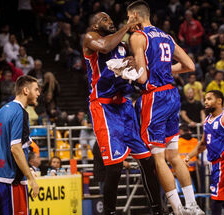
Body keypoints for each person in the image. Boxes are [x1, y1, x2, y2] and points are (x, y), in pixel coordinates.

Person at [82, 11, 163, 215]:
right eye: (104, 19)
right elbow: (105, 46)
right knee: (115, 167)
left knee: (147, 160)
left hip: (123, 105)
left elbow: (125, 68)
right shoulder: (91, 38)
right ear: (94, 26)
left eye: (110, 18)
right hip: (103, 107)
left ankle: (159, 209)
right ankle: (109, 212)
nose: (109, 21)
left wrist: (131, 64)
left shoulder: (121, 45)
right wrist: (127, 27)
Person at [127, 1, 204, 214]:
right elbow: (190, 65)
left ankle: (178, 210)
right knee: (174, 156)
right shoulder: (166, 36)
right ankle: (193, 206)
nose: (127, 23)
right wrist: (162, 69)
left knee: (158, 157)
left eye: (128, 18)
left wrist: (127, 74)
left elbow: (142, 77)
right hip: (172, 94)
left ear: (134, 15)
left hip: (154, 98)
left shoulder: (137, 37)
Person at [185, 90, 224, 215]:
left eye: (209, 99)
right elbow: (202, 144)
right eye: (205, 99)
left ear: (219, 101)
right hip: (216, 164)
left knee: (216, 202)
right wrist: (187, 157)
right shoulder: (207, 120)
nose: (206, 101)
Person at [0, 75, 40, 215]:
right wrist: (31, 179)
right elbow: (16, 148)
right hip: (11, 181)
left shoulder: (1, 111)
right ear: (25, 90)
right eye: (36, 89)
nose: (38, 93)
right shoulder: (20, 112)